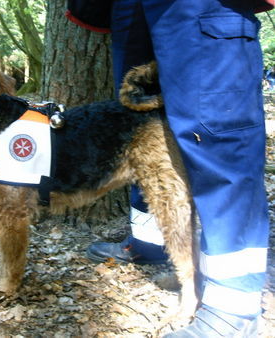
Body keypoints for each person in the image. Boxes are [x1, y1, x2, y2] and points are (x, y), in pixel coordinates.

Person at [67, 0, 273, 336]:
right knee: (140, 126)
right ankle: (151, 244)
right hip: (130, 7)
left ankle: (233, 308)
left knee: (217, 141)